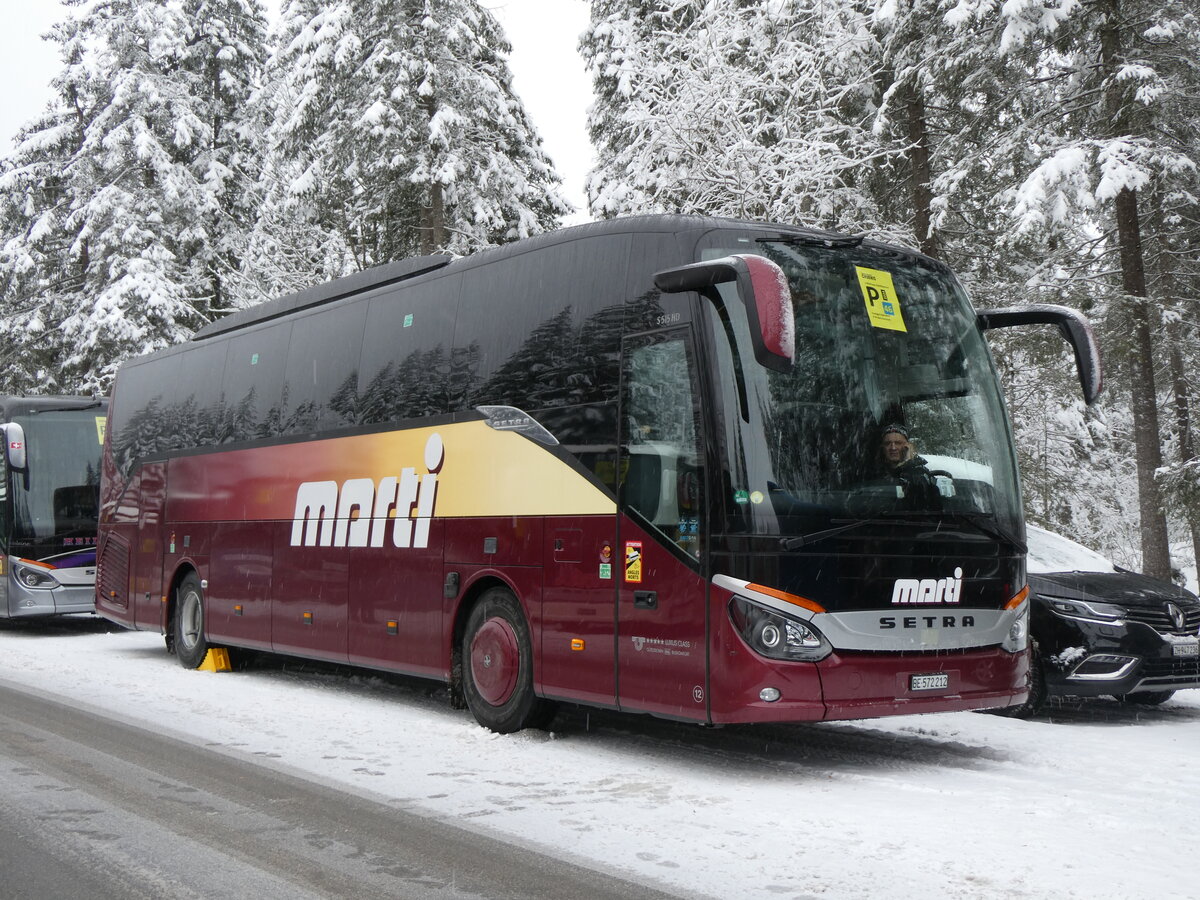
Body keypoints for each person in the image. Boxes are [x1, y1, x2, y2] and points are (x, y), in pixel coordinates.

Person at [879, 423, 938, 504]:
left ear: (907, 446)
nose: (893, 447)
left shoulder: (920, 473)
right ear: (883, 448)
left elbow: (926, 503)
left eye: (898, 443)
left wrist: (908, 463)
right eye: (887, 443)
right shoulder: (874, 473)